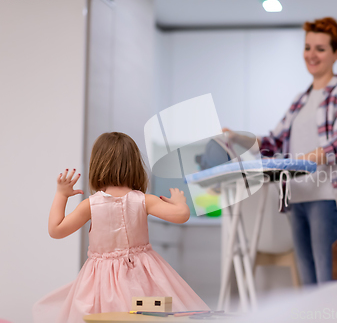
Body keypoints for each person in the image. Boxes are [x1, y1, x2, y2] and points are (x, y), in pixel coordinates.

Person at [223, 17, 337, 285]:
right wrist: (235, 137)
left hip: (328, 198)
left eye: (320, 49)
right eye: (308, 47)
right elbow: (273, 142)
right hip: (296, 199)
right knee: (309, 285)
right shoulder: (300, 100)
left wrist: (298, 163)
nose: (312, 55)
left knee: (328, 281)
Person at [33, 132, 209, 323]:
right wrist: (180, 202)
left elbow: (56, 230)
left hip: (100, 279)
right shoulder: (144, 200)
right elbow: (182, 216)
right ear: (135, 166)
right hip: (143, 274)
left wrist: (61, 195)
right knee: (150, 315)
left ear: (97, 166)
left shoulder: (90, 204)